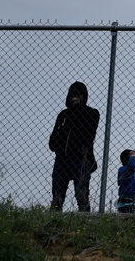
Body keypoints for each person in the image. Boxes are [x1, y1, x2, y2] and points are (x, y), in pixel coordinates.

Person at [48, 82, 100, 212]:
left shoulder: (92, 113)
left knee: (82, 197)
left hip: (81, 159)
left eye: (78, 95)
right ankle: (54, 222)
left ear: (84, 96)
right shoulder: (63, 115)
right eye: (73, 95)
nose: (75, 98)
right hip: (62, 159)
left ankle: (85, 222)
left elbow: (88, 135)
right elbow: (53, 140)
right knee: (57, 198)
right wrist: (58, 146)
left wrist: (77, 109)